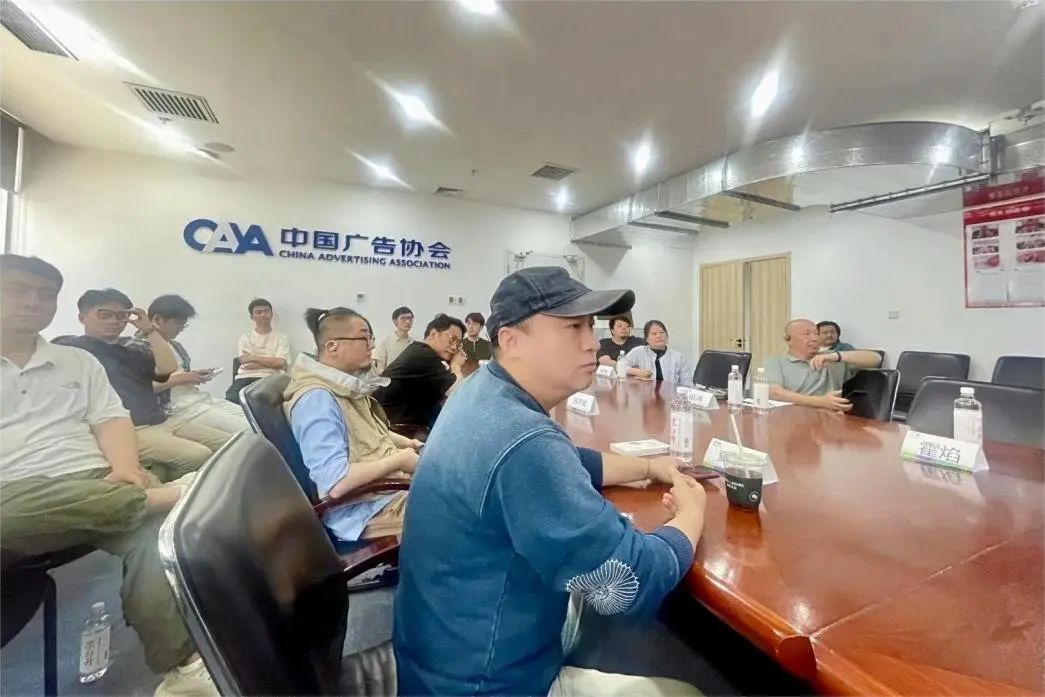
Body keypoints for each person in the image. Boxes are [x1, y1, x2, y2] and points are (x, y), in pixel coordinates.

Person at [394, 266, 707, 697]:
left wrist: (649, 468)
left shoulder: (483, 390)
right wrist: (691, 513)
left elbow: (569, 461)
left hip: (443, 648)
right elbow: (628, 584)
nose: (592, 342)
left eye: (590, 326)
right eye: (573, 327)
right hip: (486, 683)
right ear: (510, 340)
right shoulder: (522, 439)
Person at [0, 254, 218, 697]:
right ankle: (163, 496)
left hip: (95, 477)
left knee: (161, 538)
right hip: (14, 496)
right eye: (17, 290)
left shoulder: (76, 361)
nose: (32, 302)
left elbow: (111, 419)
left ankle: (182, 668)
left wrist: (126, 470)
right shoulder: (82, 345)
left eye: (45, 294)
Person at [57, 289, 231, 482]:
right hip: (129, 428)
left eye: (121, 316)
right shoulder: (70, 348)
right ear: (82, 317)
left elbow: (167, 369)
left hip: (161, 419)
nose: (114, 321)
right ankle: (180, 492)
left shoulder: (130, 350)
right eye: (104, 315)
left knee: (231, 444)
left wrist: (150, 331)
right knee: (199, 455)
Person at [284, 307, 423, 542]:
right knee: (466, 513)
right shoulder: (316, 400)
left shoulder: (341, 386)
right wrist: (400, 460)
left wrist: (408, 443)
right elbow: (336, 481)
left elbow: (363, 431)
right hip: (366, 511)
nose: (371, 345)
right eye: (364, 338)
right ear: (332, 347)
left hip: (385, 494)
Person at [146, 295, 249, 435]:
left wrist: (194, 376)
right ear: (157, 319)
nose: (180, 329)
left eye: (183, 325)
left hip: (197, 398)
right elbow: (141, 388)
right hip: (178, 408)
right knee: (248, 429)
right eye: (177, 324)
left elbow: (180, 374)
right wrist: (183, 378)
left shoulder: (175, 345)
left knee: (257, 420)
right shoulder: (137, 348)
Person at [765, 319, 882, 411]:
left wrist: (836, 356)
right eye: (807, 334)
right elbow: (774, 392)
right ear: (788, 340)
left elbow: (876, 359)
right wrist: (821, 402)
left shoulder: (831, 358)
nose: (815, 339)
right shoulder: (777, 362)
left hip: (832, 419)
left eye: (816, 334)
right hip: (794, 418)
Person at [374, 314, 466, 429]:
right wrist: (456, 365)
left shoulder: (419, 351)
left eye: (458, 344)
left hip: (388, 425)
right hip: (394, 429)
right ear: (433, 334)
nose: (454, 348)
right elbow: (458, 393)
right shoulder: (425, 356)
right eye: (452, 339)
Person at [225, 298, 291, 404]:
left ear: (271, 314)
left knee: (265, 401)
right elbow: (248, 365)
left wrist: (252, 358)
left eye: (266, 311)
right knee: (232, 398)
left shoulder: (282, 338)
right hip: (246, 377)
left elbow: (281, 363)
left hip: (271, 377)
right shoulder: (245, 338)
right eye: (259, 312)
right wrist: (273, 363)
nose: (263, 315)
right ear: (252, 317)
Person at [622, 320, 694, 386]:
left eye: (662, 332)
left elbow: (688, 384)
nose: (659, 336)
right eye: (654, 334)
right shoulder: (639, 351)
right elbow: (621, 367)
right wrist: (638, 372)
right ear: (646, 338)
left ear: (667, 336)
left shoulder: (678, 356)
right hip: (644, 394)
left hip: (670, 394)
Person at [373, 306, 415, 372]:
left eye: (410, 318)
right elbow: (380, 369)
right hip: (389, 377)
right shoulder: (385, 342)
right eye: (403, 318)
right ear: (395, 321)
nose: (407, 321)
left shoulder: (414, 343)